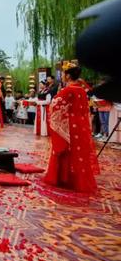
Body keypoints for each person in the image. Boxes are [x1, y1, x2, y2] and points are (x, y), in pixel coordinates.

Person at [43, 63, 98, 193]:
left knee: (65, 150)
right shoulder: (82, 90)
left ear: (67, 76)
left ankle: (63, 178)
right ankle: (77, 179)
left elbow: (55, 106)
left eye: (62, 74)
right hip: (80, 126)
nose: (61, 76)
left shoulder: (68, 90)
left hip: (69, 126)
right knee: (78, 152)